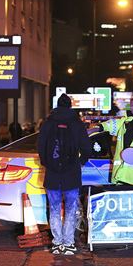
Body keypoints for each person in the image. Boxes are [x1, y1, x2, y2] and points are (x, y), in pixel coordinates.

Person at [37, 94, 91, 255]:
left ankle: (57, 243)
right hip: (71, 174)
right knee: (70, 208)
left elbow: (40, 146)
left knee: (54, 208)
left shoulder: (48, 123)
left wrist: (47, 163)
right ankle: (68, 243)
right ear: (70, 106)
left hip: (53, 174)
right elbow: (86, 148)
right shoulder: (77, 124)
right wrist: (79, 162)